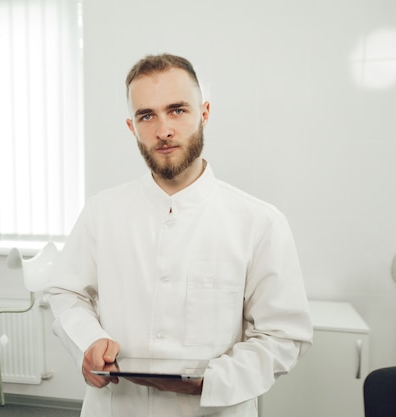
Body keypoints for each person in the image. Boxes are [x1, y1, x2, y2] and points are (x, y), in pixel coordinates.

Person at [47, 53, 313, 417]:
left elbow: (283, 336)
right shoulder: (101, 211)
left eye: (177, 110)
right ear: (132, 127)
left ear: (204, 113)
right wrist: (88, 342)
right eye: (147, 115)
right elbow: (66, 292)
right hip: (117, 407)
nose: (163, 130)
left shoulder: (259, 221)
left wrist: (211, 380)